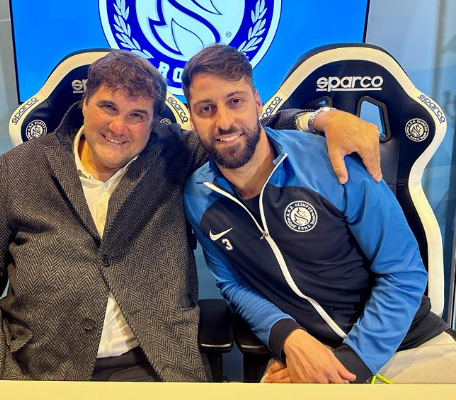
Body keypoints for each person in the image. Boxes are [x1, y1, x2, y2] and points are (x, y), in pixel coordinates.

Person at [0, 50, 380, 381]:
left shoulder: (173, 154)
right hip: (33, 368)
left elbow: (240, 130)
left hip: (154, 367)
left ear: (155, 121)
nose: (119, 127)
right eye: (108, 107)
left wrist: (322, 119)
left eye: (137, 115)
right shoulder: (19, 168)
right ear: (84, 104)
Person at [182, 44, 456, 384]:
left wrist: (352, 363)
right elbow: (234, 284)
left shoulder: (332, 161)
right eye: (206, 109)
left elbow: (403, 273)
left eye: (235, 101)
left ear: (257, 102)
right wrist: (287, 337)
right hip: (307, 353)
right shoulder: (197, 196)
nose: (224, 122)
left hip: (405, 342)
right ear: (192, 118)